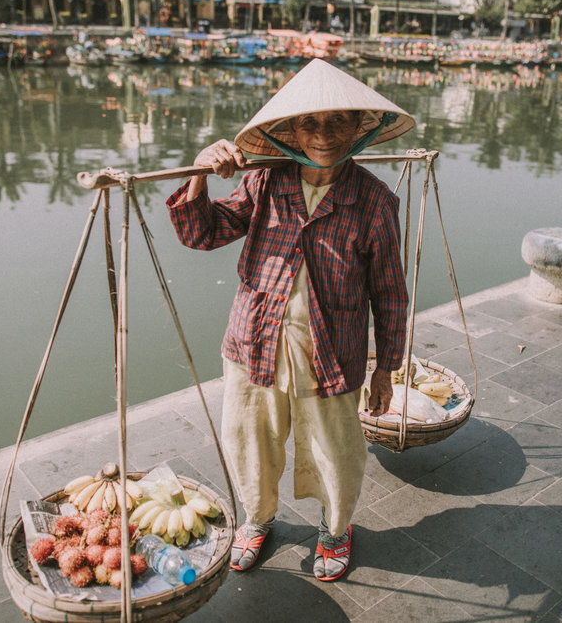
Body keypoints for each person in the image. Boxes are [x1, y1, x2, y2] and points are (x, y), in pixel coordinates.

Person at [166, 59, 414, 581]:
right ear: (292, 131)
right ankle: (256, 518)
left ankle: (336, 527)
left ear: (358, 128)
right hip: (254, 342)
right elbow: (202, 233)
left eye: (337, 121)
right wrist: (198, 172)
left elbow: (390, 294)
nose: (324, 136)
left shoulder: (374, 202)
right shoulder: (263, 182)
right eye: (310, 123)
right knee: (249, 438)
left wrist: (386, 370)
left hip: (332, 352)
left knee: (337, 451)